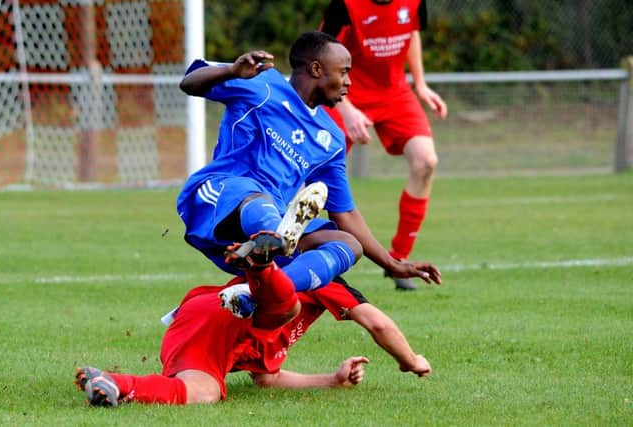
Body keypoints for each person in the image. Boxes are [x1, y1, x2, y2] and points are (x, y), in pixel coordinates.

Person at [176, 31, 439, 295]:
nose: (348, 83)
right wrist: (231, 71)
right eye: (344, 72)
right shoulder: (261, 83)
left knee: (347, 245)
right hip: (219, 197)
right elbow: (189, 83)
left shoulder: (331, 139)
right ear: (316, 69)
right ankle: (275, 235)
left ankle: (262, 293)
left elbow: (345, 213)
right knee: (256, 198)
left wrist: (393, 264)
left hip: (264, 234)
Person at [75, 230, 439, 407]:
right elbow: (378, 323)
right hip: (221, 322)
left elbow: (266, 379)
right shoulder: (322, 278)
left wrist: (332, 379)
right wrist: (412, 361)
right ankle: (119, 383)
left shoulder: (300, 283)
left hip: (197, 312)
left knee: (197, 385)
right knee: (204, 393)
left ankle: (112, 383)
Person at [320, 0, 448, 290]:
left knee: (426, 161)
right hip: (344, 91)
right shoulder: (345, 6)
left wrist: (421, 83)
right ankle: (307, 257)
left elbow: (411, 32)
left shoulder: (415, 2)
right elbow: (319, 58)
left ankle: (400, 260)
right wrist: (346, 109)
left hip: (394, 91)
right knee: (320, 174)